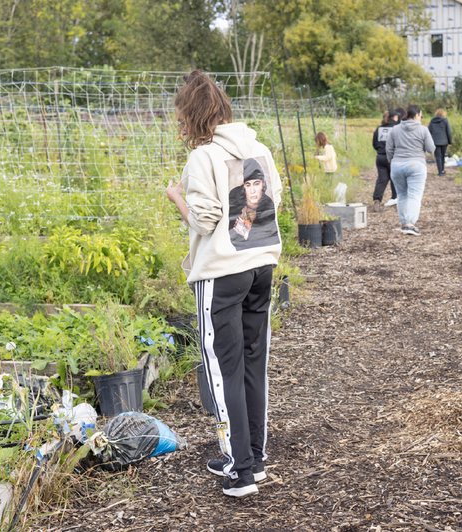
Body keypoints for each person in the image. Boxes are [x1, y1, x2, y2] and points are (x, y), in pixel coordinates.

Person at [165, 70, 282, 498]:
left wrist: (176, 198)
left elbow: (205, 220)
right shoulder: (261, 150)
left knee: (222, 368)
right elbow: (273, 202)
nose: (180, 125)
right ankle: (255, 457)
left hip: (223, 274)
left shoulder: (205, 157)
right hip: (262, 266)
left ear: (193, 116)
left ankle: (240, 471)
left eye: (181, 116)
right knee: (254, 362)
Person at [385, 104, 434, 236]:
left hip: (397, 165)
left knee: (401, 195)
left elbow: (389, 149)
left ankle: (403, 223)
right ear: (417, 115)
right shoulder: (423, 130)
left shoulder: (395, 129)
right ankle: (410, 224)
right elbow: (431, 148)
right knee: (414, 196)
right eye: (421, 115)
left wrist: (393, 163)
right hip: (416, 165)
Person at [371, 109, 400, 212]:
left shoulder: (379, 129)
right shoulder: (397, 128)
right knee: (395, 177)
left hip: (380, 157)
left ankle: (377, 201)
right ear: (395, 117)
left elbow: (374, 144)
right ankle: (395, 198)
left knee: (382, 180)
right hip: (393, 157)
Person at [428, 108, 452, 175]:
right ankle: (442, 170)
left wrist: (429, 141)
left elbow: (429, 131)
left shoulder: (432, 121)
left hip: (435, 142)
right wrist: (450, 142)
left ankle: (440, 172)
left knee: (438, 156)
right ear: (443, 114)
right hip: (444, 142)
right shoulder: (445, 120)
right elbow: (448, 131)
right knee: (442, 155)